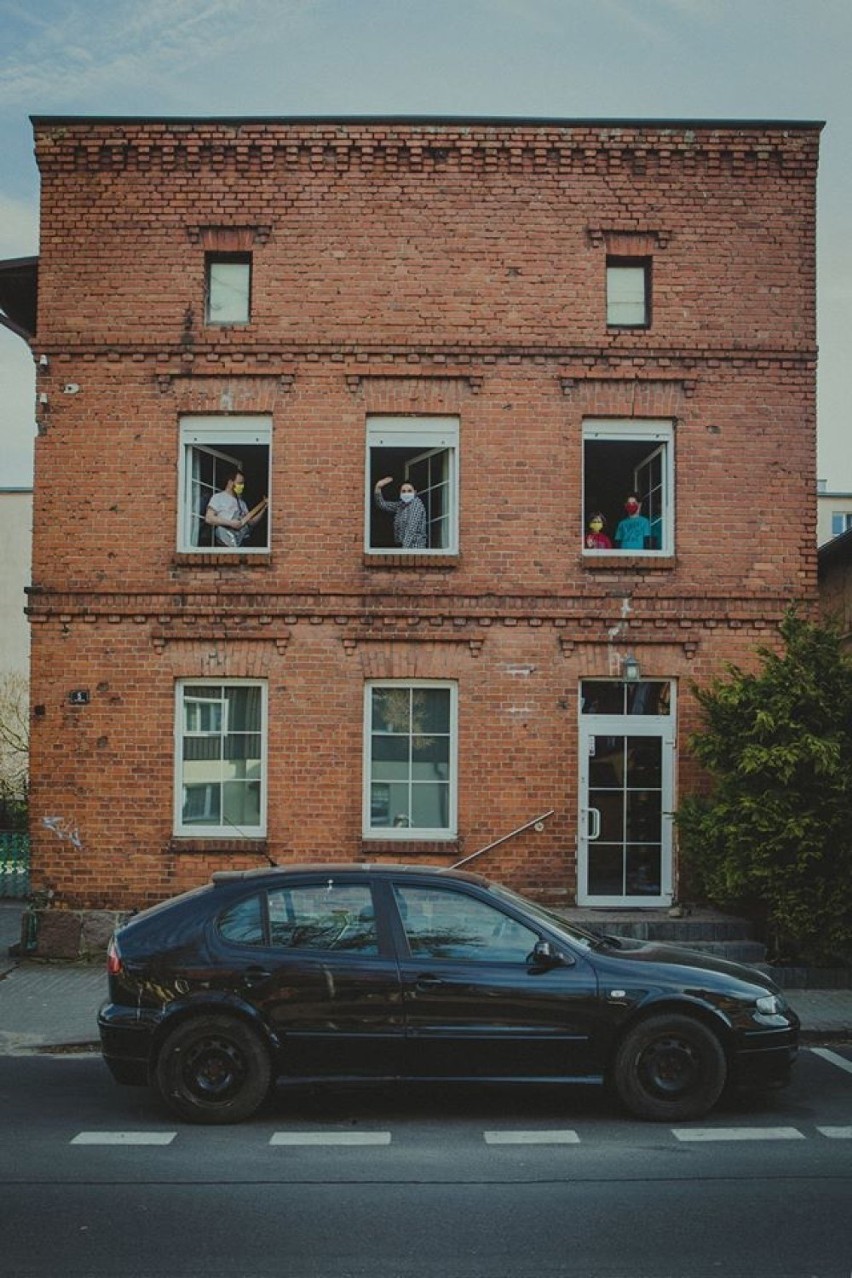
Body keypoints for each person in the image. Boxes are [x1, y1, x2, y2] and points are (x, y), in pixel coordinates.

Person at [204, 468, 268, 548]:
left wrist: (263, 508)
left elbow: (251, 523)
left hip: (239, 541)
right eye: (239, 483)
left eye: (243, 484)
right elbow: (209, 518)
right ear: (230, 482)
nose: (242, 486)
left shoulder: (242, 503)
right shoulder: (218, 497)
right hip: (224, 540)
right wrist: (231, 523)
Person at [373, 476, 428, 549]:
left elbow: (411, 530)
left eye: (409, 491)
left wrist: (403, 551)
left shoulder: (416, 505)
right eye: (403, 491)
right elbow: (383, 505)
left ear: (415, 492)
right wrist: (378, 487)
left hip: (414, 549)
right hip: (404, 548)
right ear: (400, 493)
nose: (406, 493)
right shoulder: (401, 505)